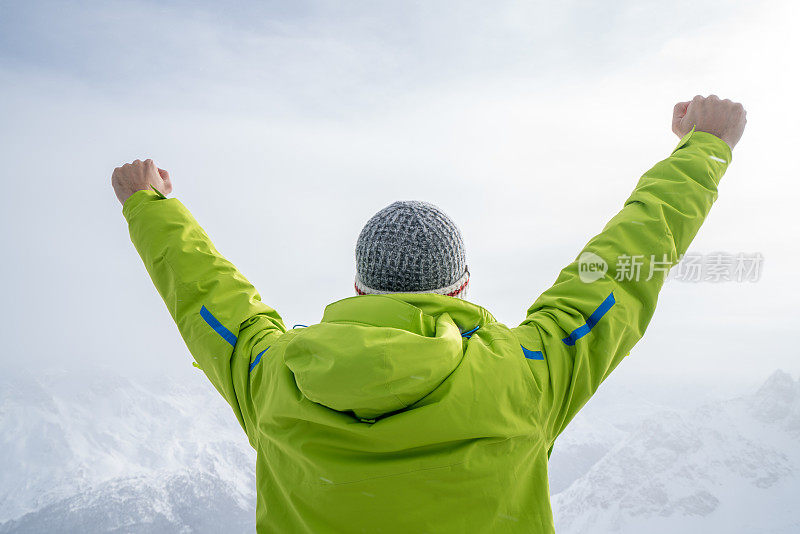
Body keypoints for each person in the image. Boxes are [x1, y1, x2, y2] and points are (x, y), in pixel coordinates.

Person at [112, 94, 746, 533]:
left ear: (359, 290)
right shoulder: (526, 377)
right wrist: (704, 148)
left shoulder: (272, 375)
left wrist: (150, 205)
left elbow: (207, 297)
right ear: (462, 287)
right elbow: (615, 273)